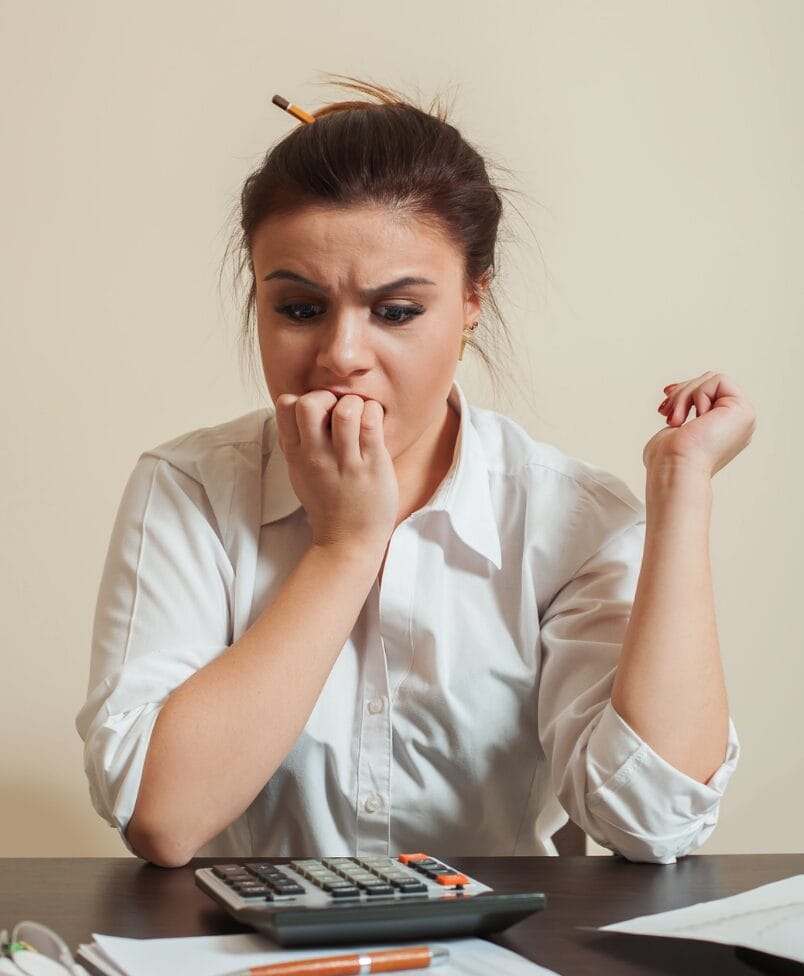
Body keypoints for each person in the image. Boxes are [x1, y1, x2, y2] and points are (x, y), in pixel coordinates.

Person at [76, 77, 752, 869]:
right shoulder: (188, 488)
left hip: (495, 966)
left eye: (396, 312)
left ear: (472, 301)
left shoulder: (567, 518)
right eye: (298, 309)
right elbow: (164, 818)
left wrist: (680, 490)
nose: (341, 355)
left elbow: (651, 823)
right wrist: (344, 549)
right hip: (243, 964)